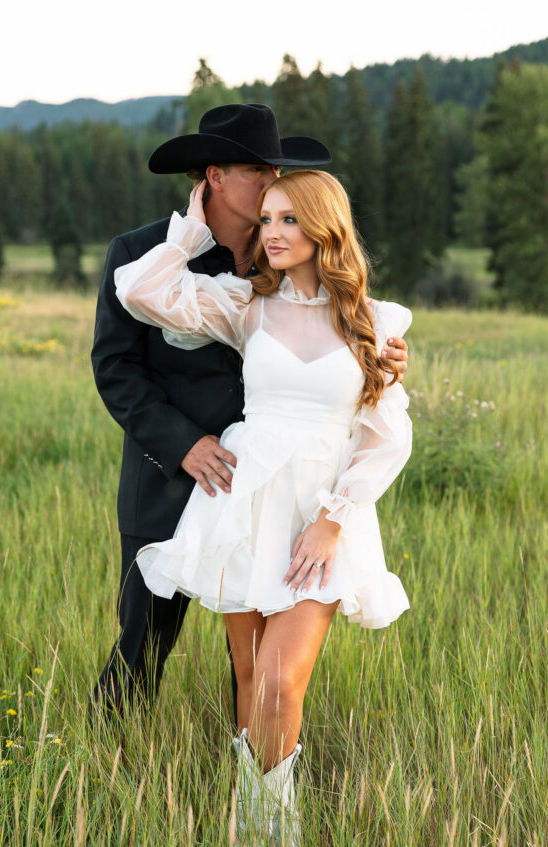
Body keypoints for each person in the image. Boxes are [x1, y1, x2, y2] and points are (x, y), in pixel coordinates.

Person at [113, 169, 413, 847]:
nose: (271, 234)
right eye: (266, 220)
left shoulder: (376, 323)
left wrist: (332, 523)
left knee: (280, 681)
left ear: (323, 230)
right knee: (249, 676)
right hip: (245, 505)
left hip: (319, 518)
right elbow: (141, 291)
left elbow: (385, 438)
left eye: (287, 221)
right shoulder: (247, 306)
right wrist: (189, 228)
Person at [89, 104, 409, 727]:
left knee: (259, 672)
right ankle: (104, 767)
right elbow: (116, 370)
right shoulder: (143, 252)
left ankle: (253, 789)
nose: (272, 182)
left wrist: (382, 354)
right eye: (257, 170)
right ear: (213, 175)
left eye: (276, 173)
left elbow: (334, 340)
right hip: (170, 478)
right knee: (141, 647)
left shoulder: (281, 260)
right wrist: (183, 444)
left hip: (278, 490)